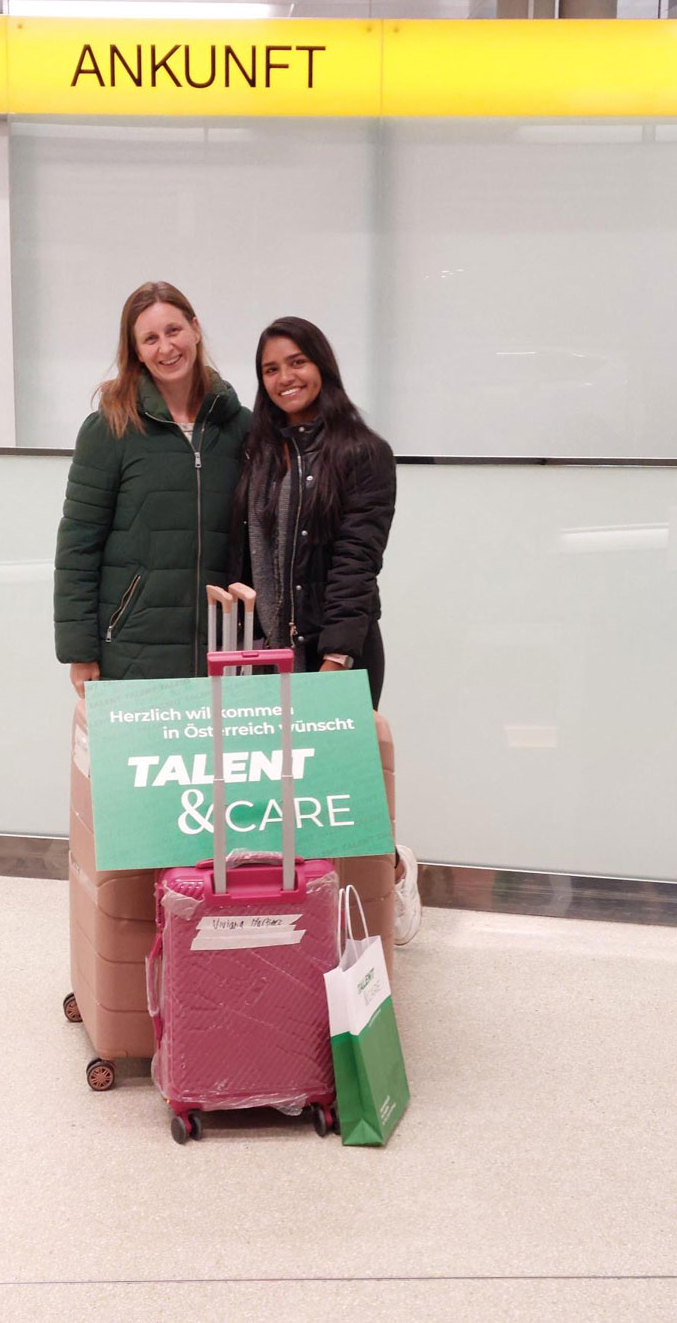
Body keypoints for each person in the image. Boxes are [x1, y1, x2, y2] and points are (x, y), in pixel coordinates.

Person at [231, 316, 421, 943]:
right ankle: (298, 932)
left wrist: (336, 658)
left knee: (342, 794)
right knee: (278, 802)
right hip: (268, 653)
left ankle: (391, 877)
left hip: (336, 650)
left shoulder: (364, 452)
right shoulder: (259, 452)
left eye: (296, 362)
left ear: (322, 365)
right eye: (270, 369)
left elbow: (357, 562)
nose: (285, 378)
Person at [54, 282, 249, 693]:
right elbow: (78, 546)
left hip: (225, 649)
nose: (166, 348)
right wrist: (79, 651)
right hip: (133, 651)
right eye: (151, 338)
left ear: (195, 329)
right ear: (137, 351)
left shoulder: (241, 427)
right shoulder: (110, 429)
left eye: (174, 330)